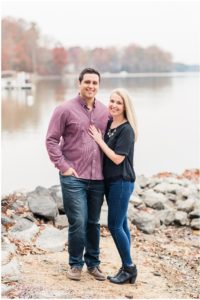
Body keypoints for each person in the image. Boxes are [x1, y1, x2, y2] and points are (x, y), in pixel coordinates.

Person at [46, 68, 109, 281]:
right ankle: (75, 264)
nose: (91, 86)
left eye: (95, 83)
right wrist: (63, 166)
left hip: (98, 177)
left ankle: (93, 263)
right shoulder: (64, 109)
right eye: (87, 82)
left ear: (99, 86)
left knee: (93, 222)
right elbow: (51, 140)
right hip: (73, 176)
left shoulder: (105, 112)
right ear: (79, 83)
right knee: (79, 221)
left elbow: (113, 138)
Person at [89, 88, 138, 284]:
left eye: (119, 102)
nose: (114, 105)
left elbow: (117, 159)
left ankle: (129, 268)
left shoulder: (127, 129)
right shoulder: (110, 123)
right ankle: (127, 266)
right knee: (122, 224)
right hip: (111, 182)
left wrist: (100, 141)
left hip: (122, 181)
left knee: (114, 225)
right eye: (112, 101)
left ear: (125, 106)